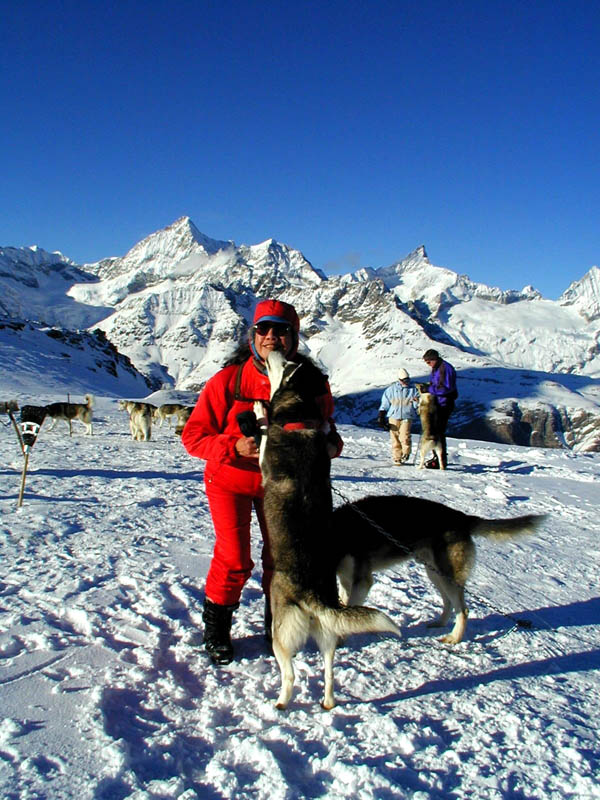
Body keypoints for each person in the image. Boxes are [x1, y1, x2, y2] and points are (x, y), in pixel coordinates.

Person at [181, 299, 343, 665]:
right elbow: (193, 436)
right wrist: (233, 444)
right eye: (263, 329)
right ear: (252, 335)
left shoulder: (313, 382)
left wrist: (329, 446)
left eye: (281, 330)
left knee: (281, 558)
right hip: (231, 480)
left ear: (294, 337)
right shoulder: (228, 380)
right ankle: (217, 630)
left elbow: (327, 427)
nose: (272, 337)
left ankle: (278, 626)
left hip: (284, 484)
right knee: (234, 557)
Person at [422, 348, 458, 468]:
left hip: (444, 403)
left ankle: (441, 459)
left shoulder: (445, 369)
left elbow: (445, 388)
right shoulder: (436, 368)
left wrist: (429, 389)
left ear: (434, 359)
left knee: (439, 432)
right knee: (435, 431)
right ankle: (437, 457)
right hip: (437, 403)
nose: (428, 365)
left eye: (428, 362)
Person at [377, 368, 419, 464]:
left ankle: (406, 453)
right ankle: (397, 457)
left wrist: (417, 402)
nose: (406, 382)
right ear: (399, 380)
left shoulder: (413, 390)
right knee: (395, 437)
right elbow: (385, 403)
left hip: (407, 416)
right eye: (403, 380)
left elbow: (417, 405)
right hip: (393, 416)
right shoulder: (391, 390)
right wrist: (381, 415)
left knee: (405, 436)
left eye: (407, 380)